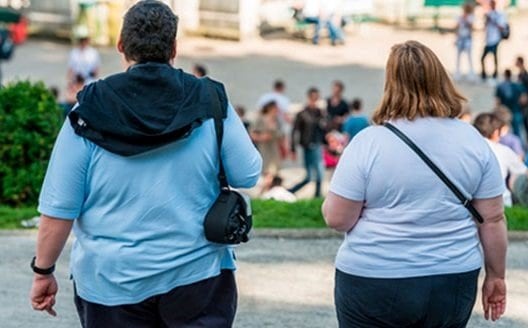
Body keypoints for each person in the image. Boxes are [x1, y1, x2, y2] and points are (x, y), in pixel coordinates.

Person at [30, 2, 262, 327]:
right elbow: (247, 173)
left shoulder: (86, 111)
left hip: (110, 283)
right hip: (197, 276)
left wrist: (43, 271)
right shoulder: (210, 100)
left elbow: (58, 209)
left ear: (121, 46)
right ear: (175, 48)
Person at [323, 40, 507, 328]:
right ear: (441, 80)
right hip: (452, 279)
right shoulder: (472, 140)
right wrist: (496, 277)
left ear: (390, 84)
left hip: (374, 278)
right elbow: (493, 219)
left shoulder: (369, 143)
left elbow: (337, 219)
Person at [474, 113, 526, 206]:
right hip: (501, 202)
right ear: (495, 132)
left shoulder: (470, 149)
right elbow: (523, 172)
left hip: (473, 203)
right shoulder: (503, 150)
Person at [289, 87, 327, 198]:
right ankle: (291, 191)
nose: (314, 101)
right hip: (308, 146)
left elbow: (324, 129)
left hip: (318, 144)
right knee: (312, 174)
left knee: (316, 174)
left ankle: (316, 195)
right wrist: (293, 148)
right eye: (313, 98)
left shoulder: (320, 113)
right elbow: (294, 131)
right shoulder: (302, 114)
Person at [250, 100, 283, 177]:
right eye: (276, 108)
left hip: (275, 149)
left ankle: (268, 187)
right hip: (263, 149)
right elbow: (252, 134)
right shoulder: (260, 119)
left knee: (274, 172)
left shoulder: (277, 120)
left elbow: (281, 134)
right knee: (267, 172)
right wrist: (262, 137)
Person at [495, 69, 527, 139]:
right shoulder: (517, 86)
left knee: (502, 133)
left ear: (504, 75)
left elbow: (497, 102)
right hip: (516, 111)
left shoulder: (500, 86)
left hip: (504, 113)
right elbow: (524, 100)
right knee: (517, 132)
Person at [480, 0, 506, 83]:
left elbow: (502, 27)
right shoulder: (489, 14)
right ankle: (484, 74)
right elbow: (484, 26)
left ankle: (495, 74)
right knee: (483, 58)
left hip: (495, 39)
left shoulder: (499, 14)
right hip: (488, 39)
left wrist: (493, 21)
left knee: (494, 57)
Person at [455, 3, 475, 81]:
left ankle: (471, 73)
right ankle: (457, 72)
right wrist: (456, 38)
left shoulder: (471, 17)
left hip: (467, 38)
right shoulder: (459, 17)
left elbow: (471, 27)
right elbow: (457, 27)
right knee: (458, 56)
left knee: (469, 56)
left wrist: (466, 19)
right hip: (460, 38)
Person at [516, 56, 528, 142]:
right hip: (522, 105)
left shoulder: (526, 77)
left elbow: (526, 93)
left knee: (526, 122)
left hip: (527, 105)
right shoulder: (520, 75)